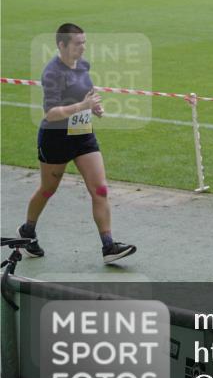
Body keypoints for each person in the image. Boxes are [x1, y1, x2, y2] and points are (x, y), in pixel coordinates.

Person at [18, 23, 137, 265]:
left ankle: (108, 246)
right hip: (56, 139)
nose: (83, 47)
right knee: (47, 190)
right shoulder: (52, 73)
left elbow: (86, 91)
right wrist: (81, 106)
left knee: (100, 189)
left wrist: (93, 106)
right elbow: (51, 113)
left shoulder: (83, 65)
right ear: (61, 45)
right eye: (77, 43)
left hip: (83, 135)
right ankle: (27, 232)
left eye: (84, 42)